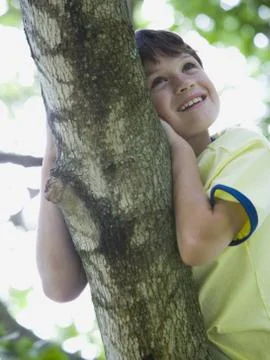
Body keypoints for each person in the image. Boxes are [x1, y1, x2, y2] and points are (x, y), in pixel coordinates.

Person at [37, 28, 270, 359]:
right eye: (158, 81)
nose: (184, 82)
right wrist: (52, 154)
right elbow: (59, 286)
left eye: (189, 66)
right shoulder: (131, 190)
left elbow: (198, 244)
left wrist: (181, 151)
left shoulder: (243, 147)